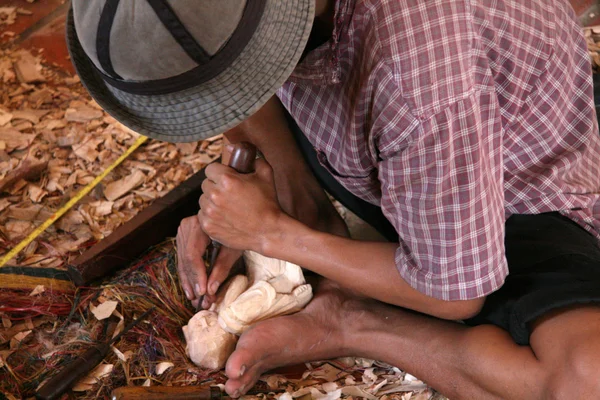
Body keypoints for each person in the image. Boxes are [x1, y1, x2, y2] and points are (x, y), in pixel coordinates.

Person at [68, 0, 600, 398]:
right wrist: (254, 178)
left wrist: (272, 233)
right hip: (394, 140)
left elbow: (455, 295)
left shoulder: (423, 81)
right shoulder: (262, 21)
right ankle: (312, 210)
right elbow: (229, 75)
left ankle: (352, 319)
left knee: (581, 380)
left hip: (521, 185)